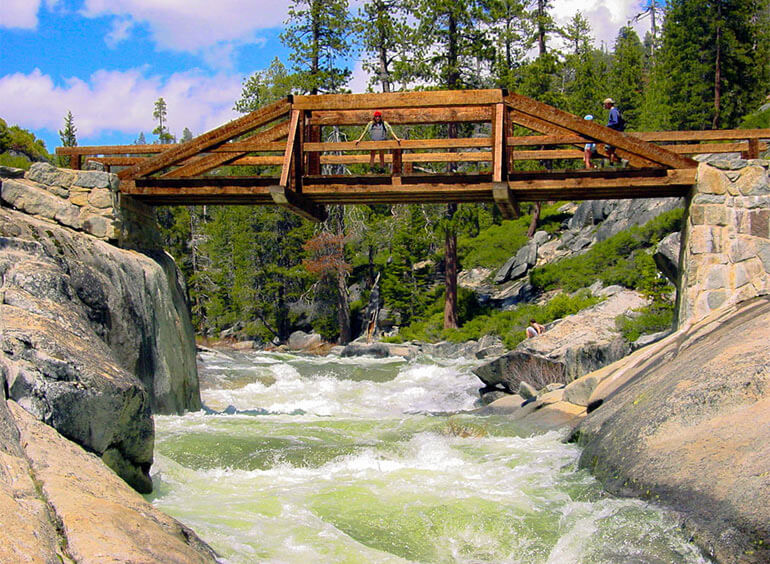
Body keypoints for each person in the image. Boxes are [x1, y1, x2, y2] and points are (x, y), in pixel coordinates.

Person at [603, 98, 623, 165]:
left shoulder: (613, 111)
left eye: (605, 104)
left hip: (614, 132)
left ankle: (621, 160)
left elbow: (615, 121)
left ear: (608, 104)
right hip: (617, 132)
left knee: (607, 148)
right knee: (612, 150)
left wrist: (608, 126)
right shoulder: (616, 110)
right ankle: (612, 163)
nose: (604, 106)